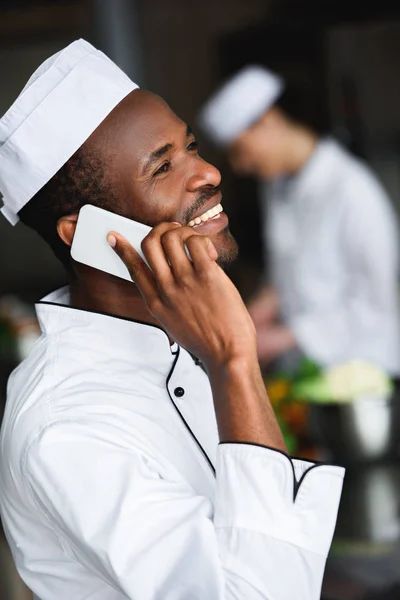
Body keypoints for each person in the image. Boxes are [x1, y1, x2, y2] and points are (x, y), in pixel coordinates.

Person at [0, 40, 344, 600]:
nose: (208, 172)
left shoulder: (174, 332)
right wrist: (235, 359)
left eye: (192, 147)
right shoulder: (66, 429)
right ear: (86, 235)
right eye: (163, 167)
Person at [198, 66, 400, 373]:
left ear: (268, 121)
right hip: (307, 370)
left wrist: (285, 338)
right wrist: (256, 313)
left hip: (362, 369)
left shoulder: (351, 190)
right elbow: (290, 268)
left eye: (240, 151)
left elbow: (376, 302)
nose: (240, 166)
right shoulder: (278, 185)